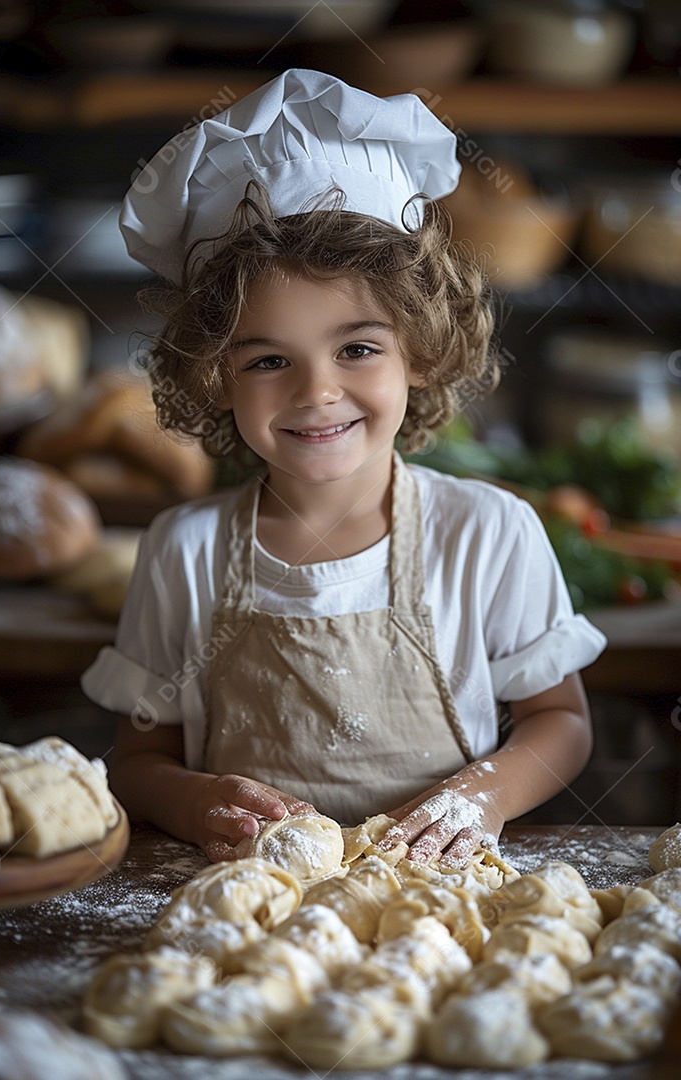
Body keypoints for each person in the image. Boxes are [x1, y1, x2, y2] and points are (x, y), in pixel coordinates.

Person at [82, 69, 606, 868]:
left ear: (421, 352)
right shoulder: (181, 549)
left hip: (437, 910)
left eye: (358, 348)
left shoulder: (489, 534)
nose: (317, 392)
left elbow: (560, 723)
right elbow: (138, 761)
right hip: (252, 912)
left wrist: (481, 797)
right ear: (214, 373)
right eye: (266, 361)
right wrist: (188, 800)